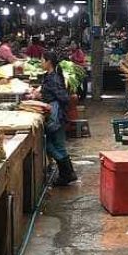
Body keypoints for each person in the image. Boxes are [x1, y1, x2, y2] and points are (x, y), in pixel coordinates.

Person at [40, 50, 77, 186]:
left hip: (57, 115)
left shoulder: (53, 78)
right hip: (58, 115)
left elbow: (63, 97)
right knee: (59, 145)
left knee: (50, 145)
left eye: (42, 60)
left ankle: (67, 174)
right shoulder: (50, 76)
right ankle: (67, 174)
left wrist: (52, 104)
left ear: (48, 62)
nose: (40, 63)